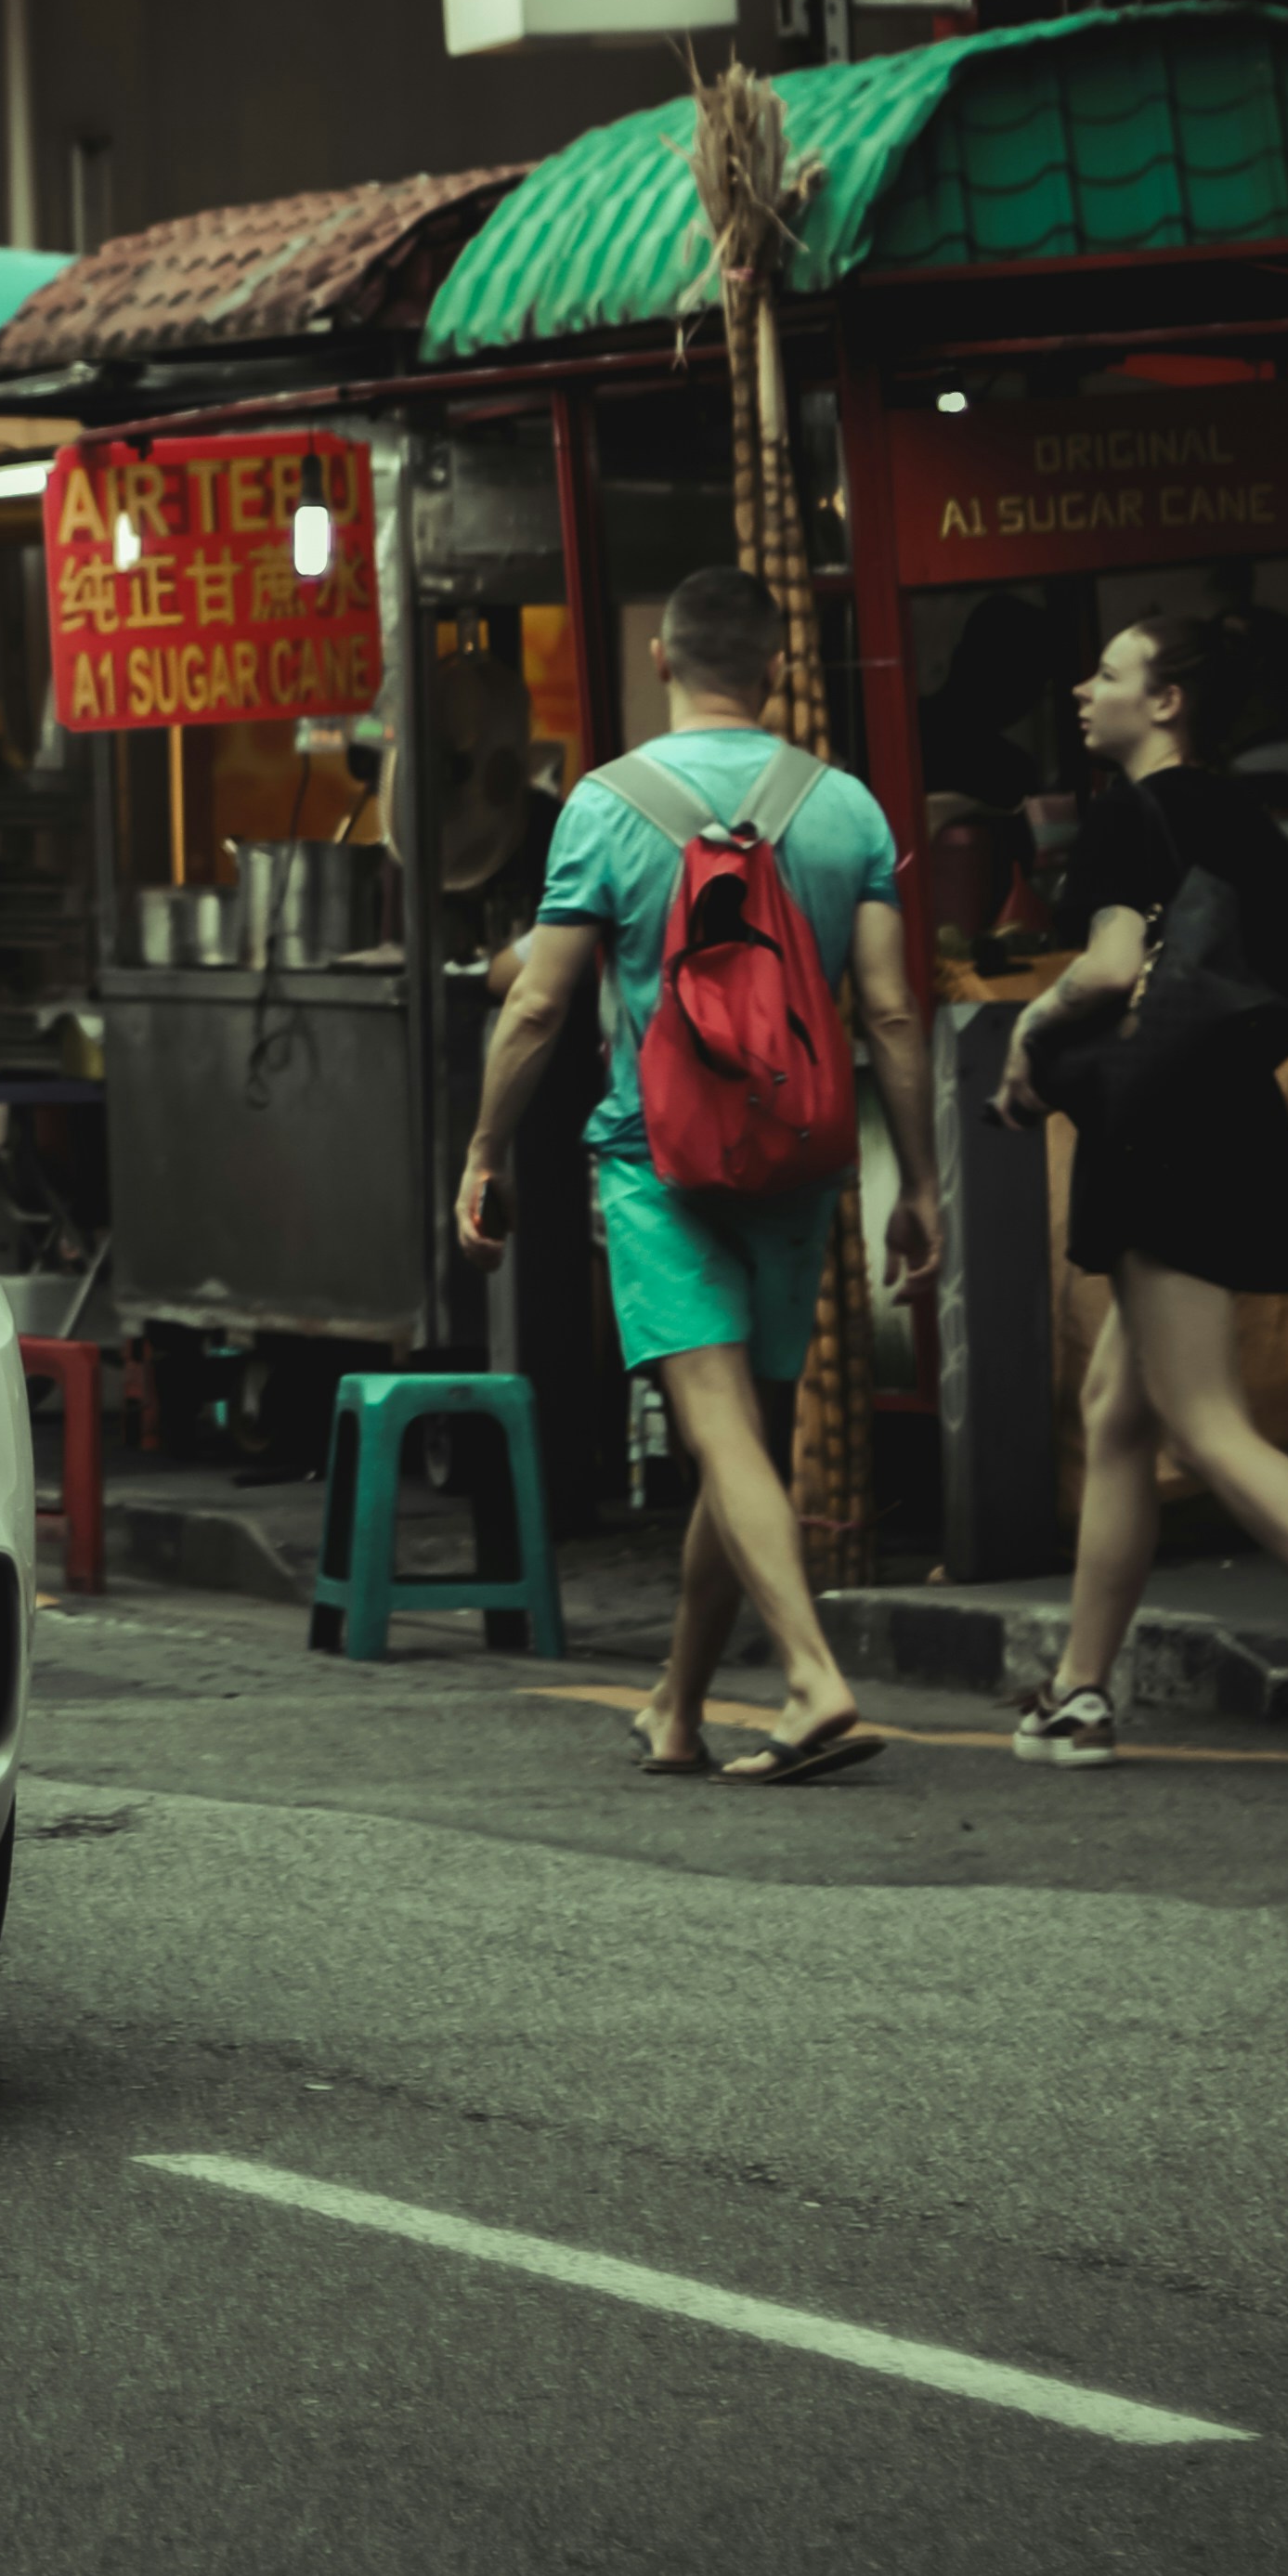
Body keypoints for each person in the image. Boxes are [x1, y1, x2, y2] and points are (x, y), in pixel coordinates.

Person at [455, 566, 941, 1785]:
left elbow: (537, 1007)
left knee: (722, 1435)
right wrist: (920, 1184)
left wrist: (484, 1152)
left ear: (661, 661)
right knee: (746, 1443)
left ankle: (812, 1680)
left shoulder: (607, 806)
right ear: (776, 668)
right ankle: (676, 1708)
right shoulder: (848, 810)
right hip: (800, 1159)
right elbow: (889, 1010)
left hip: (656, 1161)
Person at [995, 610, 1288, 1764]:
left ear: (1167, 701)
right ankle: (1081, 1690)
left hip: (1159, 1138)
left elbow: (1106, 969)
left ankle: (1083, 1689)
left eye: (1110, 674)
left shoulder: (1129, 817)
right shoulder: (1257, 821)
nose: (1085, 691)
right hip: (1240, 1124)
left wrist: (1025, 1031)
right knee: (1117, 1412)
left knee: (1208, 1426)